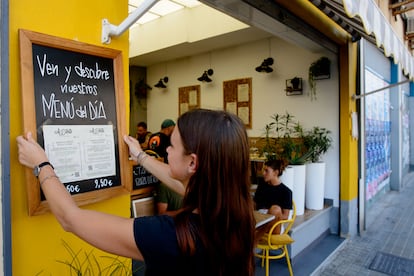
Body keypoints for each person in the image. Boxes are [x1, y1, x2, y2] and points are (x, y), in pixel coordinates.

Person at [16, 108, 255, 276]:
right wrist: (139, 156)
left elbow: (71, 219)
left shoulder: (171, 237)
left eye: (172, 144)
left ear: (192, 163)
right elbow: (182, 183)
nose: (167, 150)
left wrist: (41, 165)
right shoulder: (235, 217)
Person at [253, 159, 293, 233]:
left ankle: (258, 234)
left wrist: (269, 215)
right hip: (260, 220)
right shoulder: (262, 186)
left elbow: (285, 216)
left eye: (266, 171)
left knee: (275, 209)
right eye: (263, 170)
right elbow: (255, 205)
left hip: (275, 225)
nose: (263, 173)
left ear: (275, 172)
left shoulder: (286, 192)